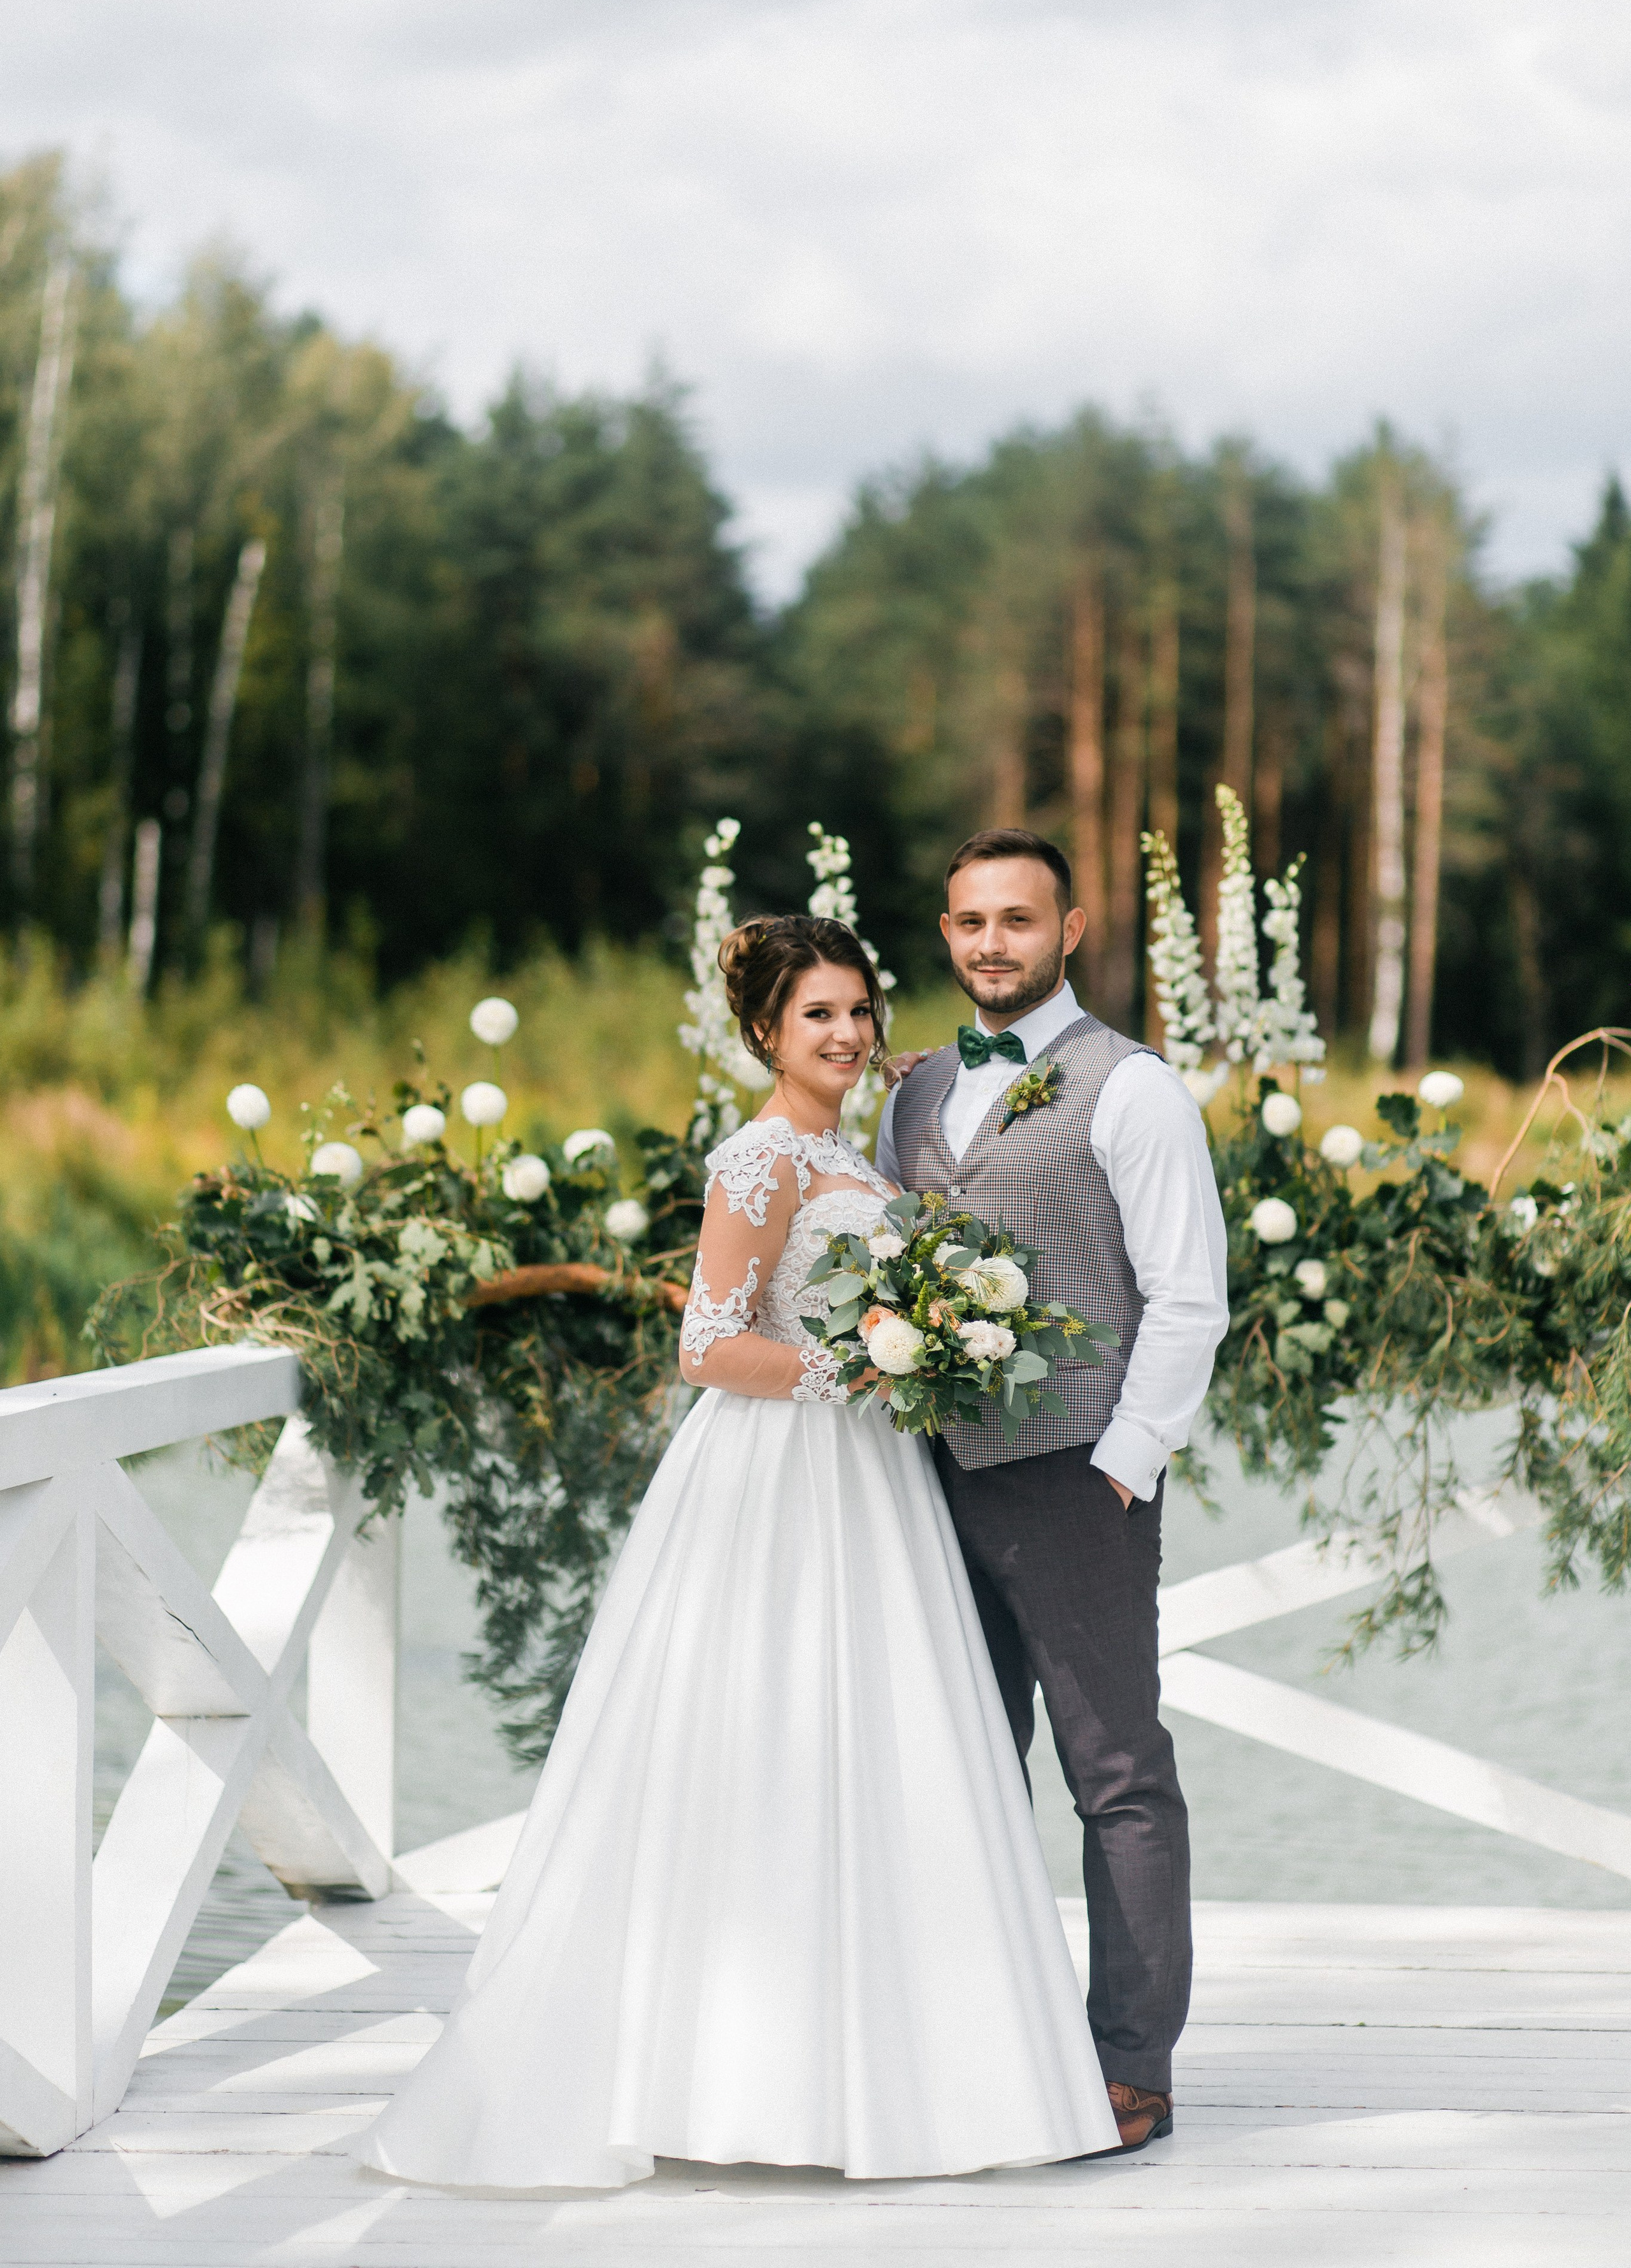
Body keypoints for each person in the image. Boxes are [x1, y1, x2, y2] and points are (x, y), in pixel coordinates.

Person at [352, 912, 1119, 2190]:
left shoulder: (860, 1161)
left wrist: (923, 1342)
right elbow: (706, 1345)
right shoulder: (757, 1162)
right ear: (765, 1031)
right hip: (778, 1478)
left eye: (859, 1011)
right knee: (753, 1745)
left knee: (880, 1756)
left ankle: (884, 2079)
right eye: (817, 1013)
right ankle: (719, 2071)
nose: (845, 1032)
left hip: (872, 1482)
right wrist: (861, 1363)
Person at [875, 828, 1229, 2152]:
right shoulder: (913, 1097)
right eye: (968, 921)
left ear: (1068, 930)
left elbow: (1188, 1295)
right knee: (956, 1771)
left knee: (1114, 1776)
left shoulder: (1131, 1089)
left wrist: (1124, 1464)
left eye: (1015, 921)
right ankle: (972, 2043)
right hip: (922, 1482)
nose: (988, 945)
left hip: (1076, 1482)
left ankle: (1128, 2064)